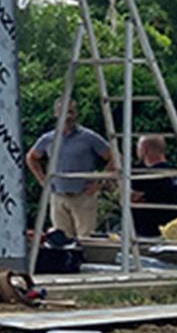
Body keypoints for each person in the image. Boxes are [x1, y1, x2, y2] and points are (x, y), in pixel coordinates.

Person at [25, 100, 116, 242]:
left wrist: (99, 182)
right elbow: (31, 158)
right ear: (56, 114)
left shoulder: (89, 137)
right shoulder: (48, 139)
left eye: (71, 112)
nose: (67, 117)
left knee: (85, 240)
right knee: (61, 240)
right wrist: (42, 180)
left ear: (76, 114)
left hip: (83, 196)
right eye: (63, 113)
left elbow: (114, 158)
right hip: (58, 196)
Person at [129, 133, 177, 238]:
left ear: (144, 150)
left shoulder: (145, 176)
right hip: (173, 231)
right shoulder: (174, 174)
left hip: (150, 234)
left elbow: (131, 198)